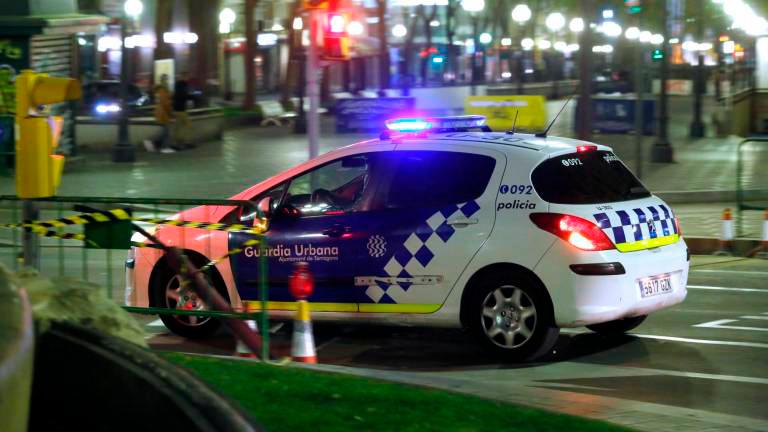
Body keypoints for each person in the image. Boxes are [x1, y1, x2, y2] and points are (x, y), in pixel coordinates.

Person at [144, 74, 175, 153]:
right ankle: (163, 147)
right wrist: (171, 112)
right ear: (163, 80)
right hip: (163, 112)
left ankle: (154, 144)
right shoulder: (163, 90)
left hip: (160, 112)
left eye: (167, 79)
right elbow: (165, 103)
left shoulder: (160, 89)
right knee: (166, 131)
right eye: (166, 79)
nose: (167, 81)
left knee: (164, 131)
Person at [172, 72, 193, 149]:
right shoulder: (183, 85)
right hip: (181, 109)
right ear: (184, 77)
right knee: (188, 126)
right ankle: (186, 142)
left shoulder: (177, 85)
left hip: (176, 109)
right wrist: (192, 97)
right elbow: (185, 95)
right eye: (187, 77)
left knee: (177, 127)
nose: (188, 78)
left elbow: (177, 96)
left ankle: (176, 144)